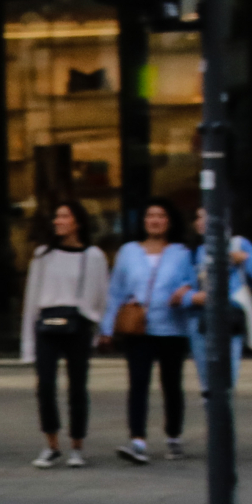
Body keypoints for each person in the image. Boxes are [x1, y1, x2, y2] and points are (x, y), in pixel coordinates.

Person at [104, 198, 197, 465]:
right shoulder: (128, 252)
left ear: (169, 221)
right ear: (143, 221)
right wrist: (107, 327)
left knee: (171, 384)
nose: (155, 221)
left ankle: (174, 436)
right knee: (138, 383)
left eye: (161, 216)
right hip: (138, 328)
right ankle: (137, 440)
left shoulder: (181, 252)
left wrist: (185, 293)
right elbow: (116, 291)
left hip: (172, 327)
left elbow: (191, 283)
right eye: (150, 216)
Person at [19, 201, 110, 468]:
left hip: (78, 324)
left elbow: (100, 295)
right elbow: (32, 298)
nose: (58, 221)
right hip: (47, 323)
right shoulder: (42, 256)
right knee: (45, 385)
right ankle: (51, 444)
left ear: (77, 222)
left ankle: (78, 445)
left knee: (77, 386)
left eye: (64, 216)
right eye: (56, 216)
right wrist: (28, 341)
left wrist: (99, 329)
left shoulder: (93, 256)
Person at [179, 210, 252, 399]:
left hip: (228, 319)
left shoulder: (237, 244)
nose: (200, 221)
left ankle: (223, 423)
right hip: (200, 322)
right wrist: (193, 297)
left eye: (206, 216)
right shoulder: (191, 252)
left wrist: (245, 259)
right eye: (197, 217)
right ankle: (213, 422)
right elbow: (179, 289)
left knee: (226, 378)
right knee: (207, 382)